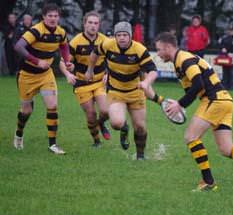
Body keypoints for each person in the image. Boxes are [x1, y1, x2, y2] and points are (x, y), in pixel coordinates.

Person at [152, 32, 233, 192]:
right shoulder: (180, 61)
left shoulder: (184, 59)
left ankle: (208, 182)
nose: (157, 54)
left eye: (158, 50)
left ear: (168, 46)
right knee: (226, 149)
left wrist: (180, 104)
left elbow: (199, 85)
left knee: (190, 137)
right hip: (225, 100)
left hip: (215, 100)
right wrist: (179, 102)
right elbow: (193, 88)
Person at [85, 21, 157, 160]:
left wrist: (146, 82)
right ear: (115, 36)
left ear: (130, 36)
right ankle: (124, 129)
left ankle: (140, 156)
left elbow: (153, 70)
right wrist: (90, 70)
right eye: (119, 35)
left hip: (135, 92)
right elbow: (94, 53)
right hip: (116, 91)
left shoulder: (139, 49)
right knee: (116, 123)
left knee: (140, 127)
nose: (122, 38)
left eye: (125, 35)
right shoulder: (107, 45)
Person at [13, 3, 72, 154]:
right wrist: (37, 61)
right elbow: (18, 46)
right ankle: (19, 134)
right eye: (50, 16)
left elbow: (64, 46)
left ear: (58, 17)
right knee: (26, 111)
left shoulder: (60, 32)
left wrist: (67, 61)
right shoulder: (36, 30)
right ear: (44, 17)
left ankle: (53, 144)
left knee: (52, 106)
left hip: (46, 75)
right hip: (26, 75)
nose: (53, 19)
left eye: (55, 16)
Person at [59, 11, 111, 147]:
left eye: (96, 23)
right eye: (90, 23)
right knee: (91, 114)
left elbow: (113, 60)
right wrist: (68, 74)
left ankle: (101, 123)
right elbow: (63, 61)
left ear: (99, 25)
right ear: (84, 24)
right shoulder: (76, 42)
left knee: (105, 111)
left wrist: (108, 73)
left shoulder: (105, 41)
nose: (93, 26)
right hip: (81, 83)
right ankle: (96, 141)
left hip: (99, 82)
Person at [217, 24, 233, 90]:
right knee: (225, 72)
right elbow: (220, 46)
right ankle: (225, 86)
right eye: (230, 30)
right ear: (227, 31)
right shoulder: (224, 38)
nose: (231, 32)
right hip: (225, 58)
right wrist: (223, 49)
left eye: (232, 30)